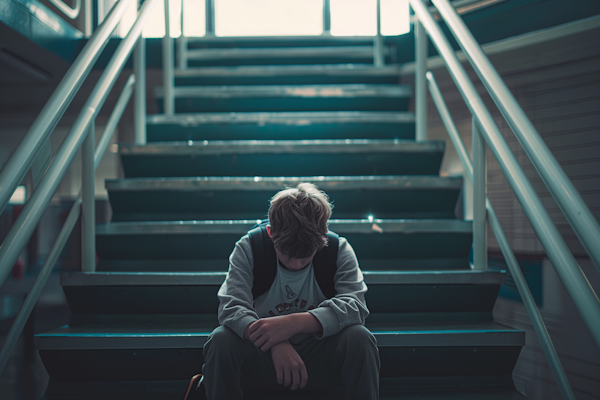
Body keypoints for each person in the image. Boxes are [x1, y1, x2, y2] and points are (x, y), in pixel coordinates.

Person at [202, 182, 380, 399]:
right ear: (270, 233)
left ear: (323, 236)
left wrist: (293, 323)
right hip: (264, 361)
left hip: (318, 360)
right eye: (286, 254)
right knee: (220, 340)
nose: (295, 265)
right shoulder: (249, 247)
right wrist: (275, 340)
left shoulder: (338, 249)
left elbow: (355, 306)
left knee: (360, 337)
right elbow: (231, 307)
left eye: (305, 256)